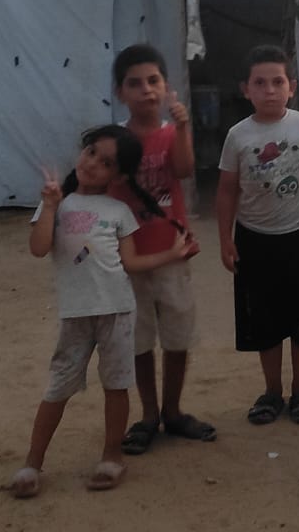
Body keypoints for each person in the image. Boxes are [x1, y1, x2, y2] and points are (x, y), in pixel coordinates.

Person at [11, 125, 198, 499]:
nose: (93, 163)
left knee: (116, 386)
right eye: (91, 152)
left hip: (117, 310)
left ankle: (112, 456)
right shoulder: (57, 203)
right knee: (57, 388)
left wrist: (172, 255)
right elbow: (38, 247)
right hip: (75, 315)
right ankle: (32, 462)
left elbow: (130, 262)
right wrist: (48, 206)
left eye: (106, 162)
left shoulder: (118, 210)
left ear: (121, 176)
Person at [215, 45, 299, 426]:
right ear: (245, 89)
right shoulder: (238, 135)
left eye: (277, 82)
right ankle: (272, 392)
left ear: (292, 86)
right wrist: (226, 239)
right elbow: (226, 190)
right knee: (265, 321)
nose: (269, 90)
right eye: (260, 83)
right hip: (255, 240)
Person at [109, 44, 216, 455]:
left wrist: (184, 128)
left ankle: (172, 411)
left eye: (153, 81)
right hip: (129, 260)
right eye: (134, 84)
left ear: (166, 86)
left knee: (176, 338)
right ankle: (149, 415)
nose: (145, 90)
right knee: (138, 342)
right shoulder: (114, 141)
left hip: (174, 253)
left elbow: (186, 171)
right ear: (120, 92)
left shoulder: (172, 133)